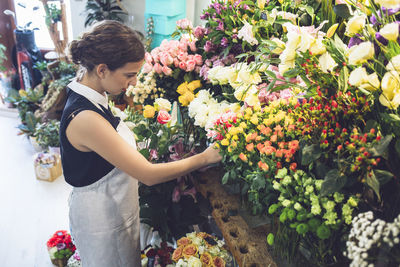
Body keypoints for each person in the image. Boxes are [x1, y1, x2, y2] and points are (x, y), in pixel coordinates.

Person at [60, 20, 222, 267]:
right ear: (102, 69)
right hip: (101, 219)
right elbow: (147, 174)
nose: (135, 82)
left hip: (115, 205)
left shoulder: (91, 87)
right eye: (129, 74)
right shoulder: (84, 117)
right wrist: (206, 157)